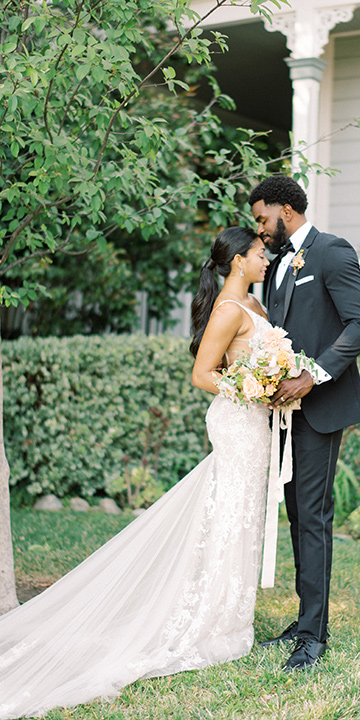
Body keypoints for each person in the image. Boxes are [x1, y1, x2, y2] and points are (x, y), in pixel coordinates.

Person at [0, 227, 272, 720]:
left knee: (245, 515)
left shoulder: (256, 306)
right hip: (239, 421)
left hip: (260, 427)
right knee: (229, 514)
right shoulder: (229, 310)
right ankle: (213, 620)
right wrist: (253, 390)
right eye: (258, 254)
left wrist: (272, 384)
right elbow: (203, 374)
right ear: (237, 262)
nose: (266, 259)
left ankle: (234, 614)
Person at [249, 175, 360, 672]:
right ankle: (305, 621)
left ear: (286, 209)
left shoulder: (331, 251)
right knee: (299, 514)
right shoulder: (279, 263)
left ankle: (314, 637)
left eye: (263, 218)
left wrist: (312, 375)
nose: (259, 229)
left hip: (321, 407)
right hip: (284, 410)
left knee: (314, 516)